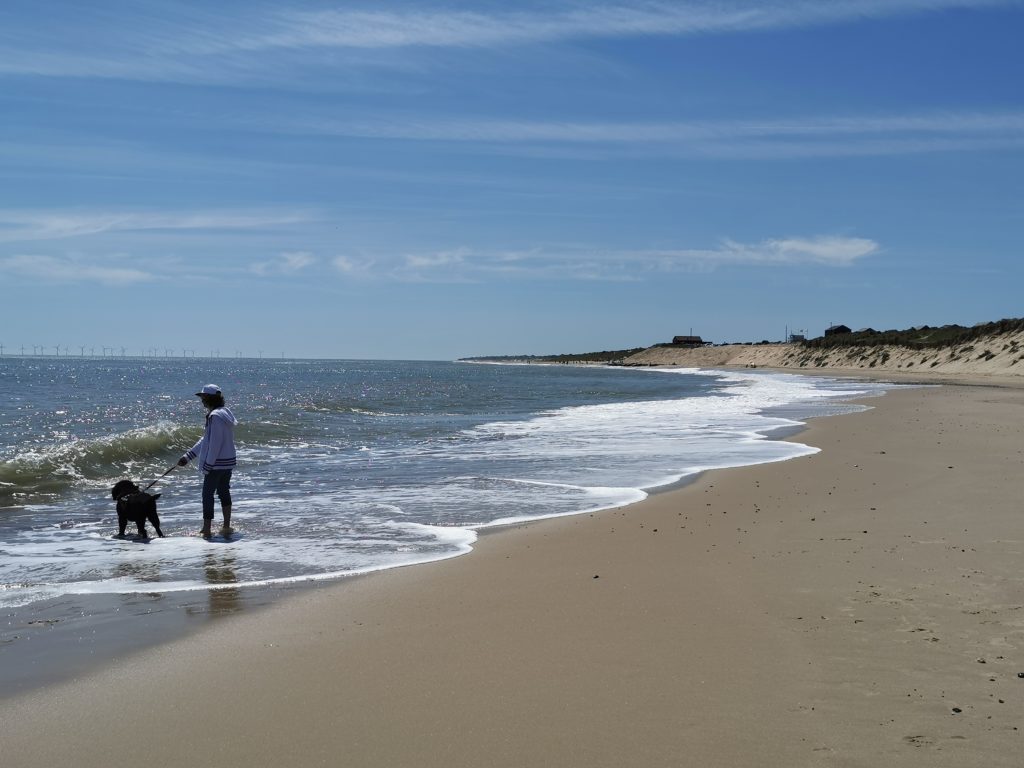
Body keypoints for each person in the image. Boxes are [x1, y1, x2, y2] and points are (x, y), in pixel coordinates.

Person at [178, 384, 238, 537]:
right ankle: (226, 525)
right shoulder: (224, 413)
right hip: (228, 462)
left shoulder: (215, 417)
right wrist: (188, 456)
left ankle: (207, 529)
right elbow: (207, 440)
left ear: (210, 398)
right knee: (224, 492)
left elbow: (215, 443)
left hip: (216, 464)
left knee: (207, 495)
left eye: (203, 397)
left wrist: (208, 465)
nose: (202, 401)